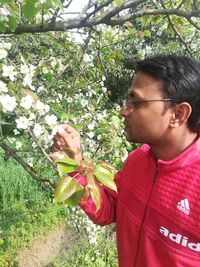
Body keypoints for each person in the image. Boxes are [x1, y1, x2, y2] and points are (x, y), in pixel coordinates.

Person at [52, 54, 200, 267]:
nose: (123, 111)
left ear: (178, 114)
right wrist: (75, 161)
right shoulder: (137, 160)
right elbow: (108, 209)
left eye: (136, 102)